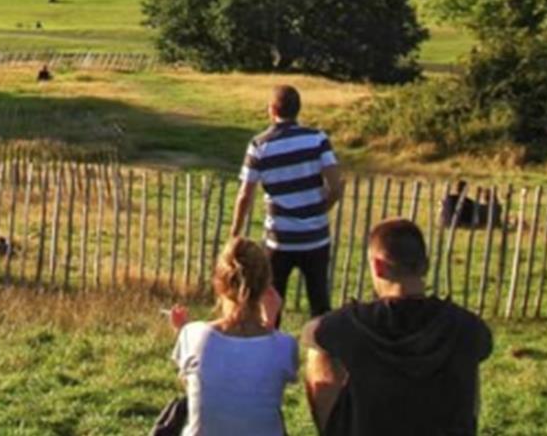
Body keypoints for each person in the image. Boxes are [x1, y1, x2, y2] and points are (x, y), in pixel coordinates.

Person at [301, 218, 493, 436]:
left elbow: (314, 333)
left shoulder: (344, 327)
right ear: (426, 264)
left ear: (378, 266)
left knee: (319, 353)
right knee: (468, 350)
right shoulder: (465, 325)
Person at [161, 239, 298, 436]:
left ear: (218, 284)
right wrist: (270, 323)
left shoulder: (193, 334)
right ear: (267, 285)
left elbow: (195, 388)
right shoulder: (285, 346)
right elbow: (258, 387)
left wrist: (182, 330)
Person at [231, 85, 344, 321]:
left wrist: (235, 233)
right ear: (298, 109)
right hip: (316, 237)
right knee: (320, 303)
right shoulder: (317, 139)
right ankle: (322, 353)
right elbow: (336, 185)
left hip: (280, 239)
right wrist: (321, 209)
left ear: (272, 110)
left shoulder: (260, 145)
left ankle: (271, 350)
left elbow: (245, 194)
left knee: (272, 302)